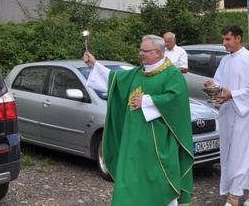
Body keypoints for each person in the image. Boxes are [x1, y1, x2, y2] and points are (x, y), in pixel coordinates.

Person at [83, 35, 194, 206]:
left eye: (145, 50)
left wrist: (148, 101)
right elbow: (114, 80)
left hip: (157, 142)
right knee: (131, 181)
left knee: (159, 180)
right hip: (133, 141)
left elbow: (176, 101)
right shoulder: (137, 73)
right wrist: (94, 65)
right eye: (140, 50)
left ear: (158, 52)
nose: (140, 53)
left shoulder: (172, 74)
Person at [205, 24, 249, 206]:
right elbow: (219, 82)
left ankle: (233, 198)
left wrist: (232, 94)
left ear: (238, 38)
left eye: (227, 39)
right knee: (228, 153)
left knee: (239, 154)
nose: (224, 43)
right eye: (223, 39)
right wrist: (213, 86)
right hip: (227, 113)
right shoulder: (226, 61)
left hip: (244, 114)